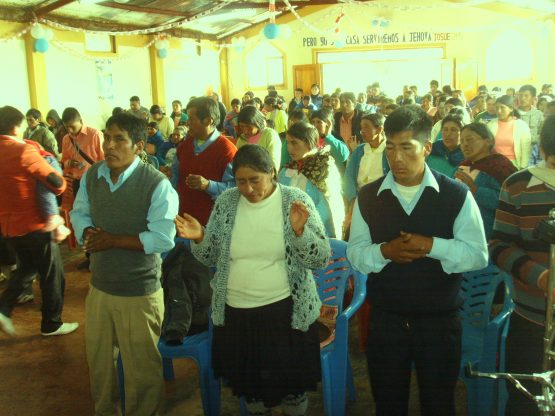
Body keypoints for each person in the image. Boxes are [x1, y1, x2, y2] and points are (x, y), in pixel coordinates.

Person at [347, 105, 488, 416]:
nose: (396, 158)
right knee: (388, 403)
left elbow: (478, 255)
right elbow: (355, 254)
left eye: (407, 148)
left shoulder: (456, 195)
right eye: (390, 148)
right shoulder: (368, 197)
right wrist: (385, 252)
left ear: (426, 148)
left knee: (439, 404)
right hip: (386, 320)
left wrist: (431, 245)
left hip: (439, 321)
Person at [175, 144, 330, 416]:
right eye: (240, 181)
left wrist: (300, 232)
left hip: (284, 313)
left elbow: (320, 257)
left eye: (255, 180)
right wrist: (199, 236)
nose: (247, 189)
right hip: (237, 314)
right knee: (252, 391)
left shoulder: (294, 200)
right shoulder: (227, 202)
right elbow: (211, 256)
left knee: (292, 392)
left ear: (272, 173)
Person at [70, 112, 179, 416]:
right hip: (100, 286)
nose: (109, 145)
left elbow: (162, 238)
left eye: (119, 139)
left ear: (139, 146)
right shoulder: (94, 175)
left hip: (138, 292)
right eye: (107, 137)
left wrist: (113, 240)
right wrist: (87, 231)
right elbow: (79, 212)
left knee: (141, 370)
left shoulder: (156, 184)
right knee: (100, 364)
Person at [489, 115, 555, 416]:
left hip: (531, 317)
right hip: (532, 319)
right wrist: (541, 277)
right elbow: (499, 246)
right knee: (525, 400)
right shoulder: (518, 185)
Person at [0, 105, 79, 337]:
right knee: (53, 273)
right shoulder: (24, 150)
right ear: (16, 128)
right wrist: (59, 176)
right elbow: (55, 182)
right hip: (34, 224)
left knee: (27, 267)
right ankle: (51, 323)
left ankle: (3, 308)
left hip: (9, 227)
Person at [172, 97, 237, 226]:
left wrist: (208, 185)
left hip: (212, 224)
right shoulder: (184, 146)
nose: (187, 123)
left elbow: (234, 190)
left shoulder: (227, 151)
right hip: (182, 219)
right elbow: (175, 179)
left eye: (191, 119)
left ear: (208, 120)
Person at [279, 121, 344, 238]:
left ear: (309, 143)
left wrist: (301, 226)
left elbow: (327, 208)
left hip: (316, 233)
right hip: (288, 230)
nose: (289, 148)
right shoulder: (289, 169)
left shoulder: (324, 168)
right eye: (287, 143)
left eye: (294, 143)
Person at [456, 123, 516, 239]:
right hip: (461, 230)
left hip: (488, 234)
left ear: (488, 141)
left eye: (470, 139)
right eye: (462, 141)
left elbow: (507, 202)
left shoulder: (500, 166)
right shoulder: (464, 166)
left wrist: (476, 190)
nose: (465, 144)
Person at [343, 112, 389, 230]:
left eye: (367, 127)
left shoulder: (389, 151)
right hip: (359, 200)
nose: (362, 131)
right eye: (361, 128)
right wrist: (353, 203)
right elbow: (349, 177)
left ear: (379, 129)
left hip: (381, 202)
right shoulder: (359, 151)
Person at [61, 107, 105, 200]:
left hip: (94, 180)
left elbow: (104, 159)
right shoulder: (66, 139)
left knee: (95, 206)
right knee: (79, 206)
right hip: (77, 181)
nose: (70, 130)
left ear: (80, 121)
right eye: (66, 127)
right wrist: (69, 163)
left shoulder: (94, 134)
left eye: (72, 127)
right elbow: (64, 160)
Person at [487, 95, 531, 169]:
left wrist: (523, 168)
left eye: (502, 107)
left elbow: (525, 150)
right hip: (494, 163)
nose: (499, 111)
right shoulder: (491, 125)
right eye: (497, 108)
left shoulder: (521, 126)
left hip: (513, 165)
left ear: (511, 108)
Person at [236, 105, 282, 170]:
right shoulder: (241, 139)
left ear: (257, 122)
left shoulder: (270, 135)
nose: (245, 130)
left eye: (248, 127)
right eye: (242, 127)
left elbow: (273, 164)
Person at [309, 108, 349, 174]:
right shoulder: (310, 139)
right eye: (313, 122)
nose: (315, 125)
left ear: (328, 124)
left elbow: (342, 157)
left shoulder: (335, 138)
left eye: (319, 122)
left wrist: (328, 136)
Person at [426, 112, 465, 177]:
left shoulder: (466, 157)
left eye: (453, 130)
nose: (448, 134)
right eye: (445, 129)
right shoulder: (433, 150)